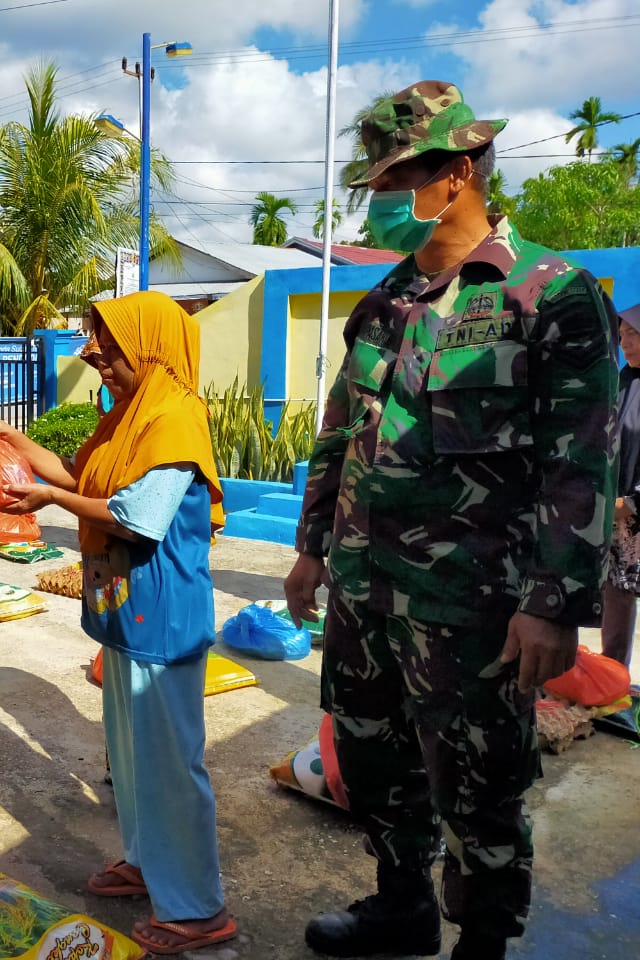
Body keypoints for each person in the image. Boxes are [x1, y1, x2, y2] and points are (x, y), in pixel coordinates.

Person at [284, 81, 618, 960]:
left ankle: (483, 937)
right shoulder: (385, 300)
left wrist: (554, 603)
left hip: (472, 604)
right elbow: (339, 430)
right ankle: (402, 906)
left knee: (479, 781)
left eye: (398, 177)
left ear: (459, 172)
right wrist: (311, 549)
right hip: (364, 587)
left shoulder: (547, 293)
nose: (381, 200)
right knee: (374, 757)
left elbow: (579, 460)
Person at [0, 291, 236, 955]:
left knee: (171, 767)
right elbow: (82, 478)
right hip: (128, 614)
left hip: (165, 618)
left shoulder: (173, 420)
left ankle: (198, 909)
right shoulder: (130, 416)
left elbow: (136, 516)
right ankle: (150, 864)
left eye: (107, 342)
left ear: (149, 345)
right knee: (134, 759)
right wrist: (14, 440)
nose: (94, 354)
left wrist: (52, 498)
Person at [602, 301, 640, 667]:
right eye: (622, 335)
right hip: (617, 512)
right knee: (617, 595)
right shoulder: (622, 381)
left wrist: (633, 502)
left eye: (634, 334)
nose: (625, 342)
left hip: (633, 507)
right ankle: (613, 683)